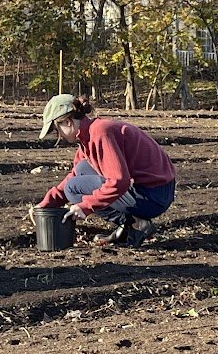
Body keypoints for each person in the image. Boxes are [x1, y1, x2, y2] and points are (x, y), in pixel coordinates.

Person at [34, 94, 177, 246]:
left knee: (73, 188)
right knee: (82, 168)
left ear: (68, 122)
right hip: (151, 190)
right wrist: (46, 204)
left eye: (57, 130)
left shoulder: (100, 133)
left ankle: (136, 224)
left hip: (154, 194)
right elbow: (76, 173)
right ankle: (132, 224)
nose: (59, 136)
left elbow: (119, 181)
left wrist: (86, 206)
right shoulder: (89, 135)